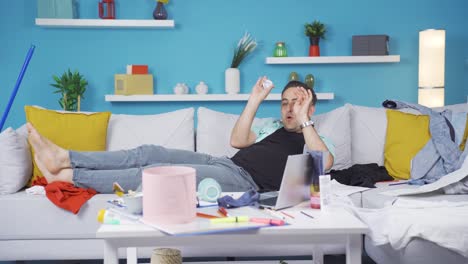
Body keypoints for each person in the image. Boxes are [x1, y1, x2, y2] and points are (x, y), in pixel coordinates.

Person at [28, 77, 334, 194]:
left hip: (244, 182)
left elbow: (323, 164)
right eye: (285, 102)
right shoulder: (272, 129)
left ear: (310, 106)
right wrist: (255, 99)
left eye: (297, 101)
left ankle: (68, 177)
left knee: (154, 174)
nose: (290, 108)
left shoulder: (314, 139)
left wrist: (305, 119)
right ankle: (64, 157)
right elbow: (238, 141)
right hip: (224, 163)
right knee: (148, 152)